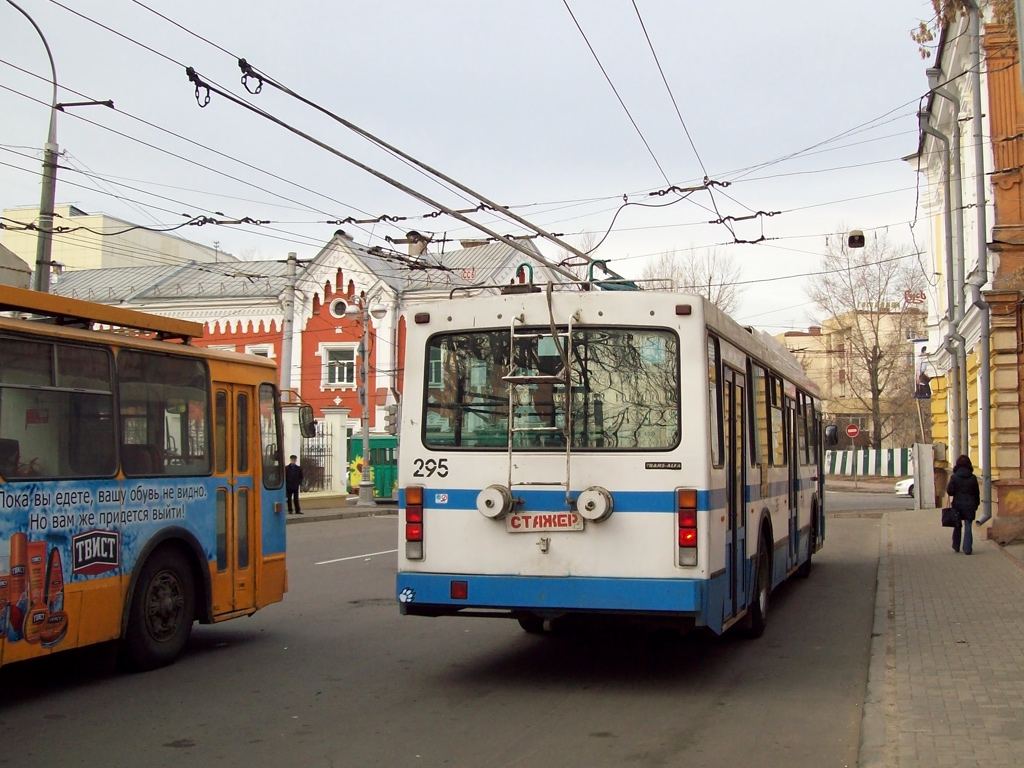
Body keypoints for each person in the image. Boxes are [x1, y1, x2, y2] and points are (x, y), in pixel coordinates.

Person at [946, 454, 980, 554]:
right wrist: (976, 504)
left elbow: (950, 491)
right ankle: (967, 549)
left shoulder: (954, 477)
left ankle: (956, 546)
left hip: (957, 504)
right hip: (970, 505)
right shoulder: (973, 478)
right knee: (968, 526)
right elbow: (976, 493)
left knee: (957, 525)